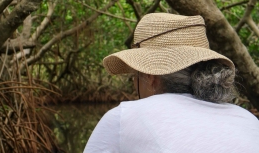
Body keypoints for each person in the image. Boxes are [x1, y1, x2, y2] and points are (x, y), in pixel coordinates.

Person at [83, 13, 259, 153]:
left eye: (135, 76)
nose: (134, 82)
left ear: (150, 76)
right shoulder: (248, 120)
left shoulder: (123, 118)